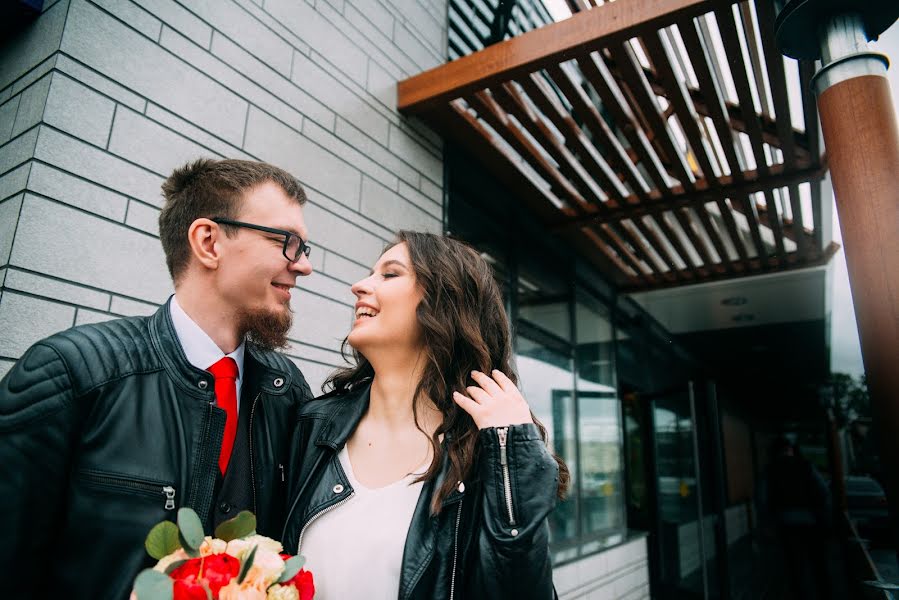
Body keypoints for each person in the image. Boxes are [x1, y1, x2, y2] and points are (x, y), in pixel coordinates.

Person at [0, 158, 315, 598]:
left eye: (304, 248)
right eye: (286, 241)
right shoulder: (71, 371)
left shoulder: (289, 392)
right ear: (208, 242)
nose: (303, 266)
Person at [281, 231, 569, 599]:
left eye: (390, 274)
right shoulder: (313, 425)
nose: (358, 286)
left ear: (444, 302)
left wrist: (512, 452)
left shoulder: (485, 457)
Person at [765, 436, 833, 600]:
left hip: (786, 522)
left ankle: (800, 595)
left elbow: (763, 498)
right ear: (791, 450)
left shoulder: (771, 469)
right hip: (811, 521)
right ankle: (824, 594)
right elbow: (823, 491)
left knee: (794, 566)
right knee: (818, 563)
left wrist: (769, 521)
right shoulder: (806, 466)